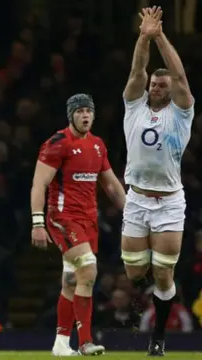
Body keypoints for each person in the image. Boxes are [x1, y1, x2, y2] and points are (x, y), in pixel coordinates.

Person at [120, 6, 195, 356]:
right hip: (136, 199)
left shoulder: (181, 115)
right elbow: (137, 69)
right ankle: (147, 275)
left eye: (162, 85)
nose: (156, 87)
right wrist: (143, 35)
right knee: (135, 273)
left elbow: (180, 79)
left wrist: (161, 35)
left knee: (164, 277)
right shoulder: (134, 107)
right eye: (154, 83)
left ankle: (158, 337)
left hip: (167, 201)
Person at [30, 94, 126, 356]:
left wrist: (130, 214)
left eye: (89, 111)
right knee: (89, 271)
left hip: (88, 221)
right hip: (62, 217)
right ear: (71, 115)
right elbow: (39, 184)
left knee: (71, 281)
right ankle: (85, 342)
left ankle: (61, 344)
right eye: (80, 111)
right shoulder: (57, 143)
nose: (85, 116)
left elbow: (111, 185)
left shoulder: (97, 146)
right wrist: (37, 222)